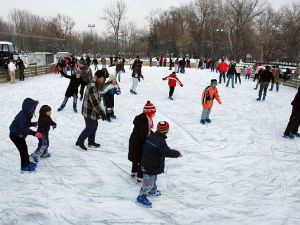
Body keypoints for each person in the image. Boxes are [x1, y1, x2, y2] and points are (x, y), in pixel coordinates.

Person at [136, 121, 182, 208]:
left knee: (153, 178)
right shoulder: (160, 141)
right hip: (149, 165)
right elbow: (167, 152)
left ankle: (152, 191)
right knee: (148, 181)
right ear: (166, 131)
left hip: (151, 163)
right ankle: (141, 197)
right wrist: (177, 153)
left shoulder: (153, 136)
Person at [76, 70, 107, 151]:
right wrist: (102, 113)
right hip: (89, 110)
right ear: (99, 77)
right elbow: (95, 102)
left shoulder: (96, 83)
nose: (104, 80)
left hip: (92, 110)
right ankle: (80, 141)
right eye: (103, 78)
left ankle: (91, 142)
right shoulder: (93, 86)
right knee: (90, 127)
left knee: (94, 125)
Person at [9, 98, 42, 172]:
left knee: (24, 148)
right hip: (15, 135)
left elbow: (24, 124)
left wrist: (33, 124)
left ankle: (26, 162)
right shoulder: (23, 115)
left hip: (19, 134)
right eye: (33, 108)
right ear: (28, 108)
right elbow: (24, 128)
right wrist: (34, 133)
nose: (34, 110)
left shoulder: (26, 114)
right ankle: (24, 166)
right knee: (23, 150)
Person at [128, 101, 156, 182]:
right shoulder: (144, 121)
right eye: (153, 113)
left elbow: (147, 131)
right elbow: (143, 134)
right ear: (149, 113)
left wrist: (153, 134)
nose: (154, 115)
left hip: (135, 140)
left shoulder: (143, 118)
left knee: (135, 158)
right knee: (141, 159)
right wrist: (150, 141)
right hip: (138, 142)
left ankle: (134, 171)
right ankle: (140, 176)